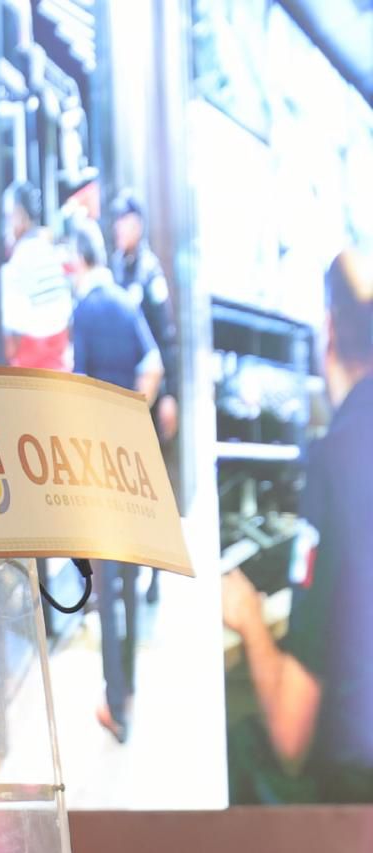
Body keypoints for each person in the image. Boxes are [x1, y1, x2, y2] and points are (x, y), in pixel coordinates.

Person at [222, 249, 373, 803]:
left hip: (355, 801)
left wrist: (249, 619)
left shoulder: (339, 458)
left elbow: (291, 734)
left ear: (328, 331)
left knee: (241, 743)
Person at [66, 218, 163, 744]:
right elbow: (154, 366)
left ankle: (115, 699)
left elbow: (78, 384)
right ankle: (129, 691)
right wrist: (133, 416)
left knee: (106, 586)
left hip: (98, 462)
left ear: (78, 261)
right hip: (131, 455)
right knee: (124, 581)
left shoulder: (84, 310)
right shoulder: (127, 304)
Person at [110, 189, 179, 603]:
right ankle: (127, 571)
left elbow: (165, 340)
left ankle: (154, 573)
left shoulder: (150, 273)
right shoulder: (116, 268)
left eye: (125, 221)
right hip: (122, 396)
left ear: (138, 225)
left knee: (151, 485)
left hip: (150, 397)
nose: (120, 228)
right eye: (117, 221)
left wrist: (168, 396)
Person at [0, 181, 74, 370]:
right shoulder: (53, 253)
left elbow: (10, 343)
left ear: (19, 215)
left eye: (8, 217)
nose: (5, 226)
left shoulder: (17, 265)